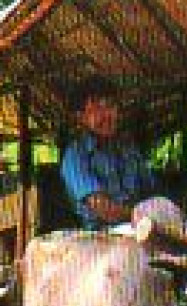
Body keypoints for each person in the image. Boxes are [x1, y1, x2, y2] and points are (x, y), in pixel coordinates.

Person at [60, 77, 161, 230]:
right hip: (99, 239)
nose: (107, 115)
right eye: (97, 109)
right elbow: (104, 210)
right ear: (80, 117)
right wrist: (140, 216)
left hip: (140, 228)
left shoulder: (128, 149)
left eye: (110, 106)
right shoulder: (75, 157)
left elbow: (152, 192)